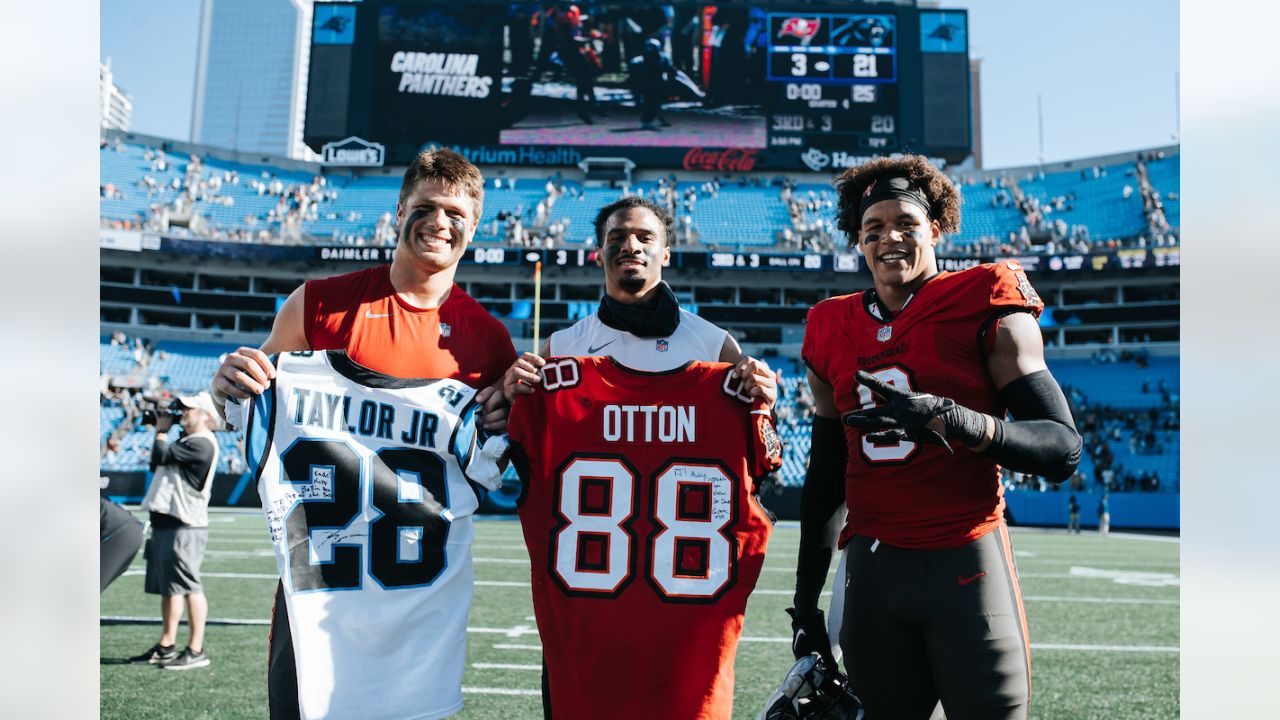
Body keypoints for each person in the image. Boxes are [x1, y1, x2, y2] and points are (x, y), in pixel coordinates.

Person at [210, 148, 516, 719]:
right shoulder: (318, 304)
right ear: (399, 210)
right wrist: (228, 384)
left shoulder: (488, 342)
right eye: (426, 206)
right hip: (318, 597)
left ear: (473, 228)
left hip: (419, 611)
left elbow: (500, 467)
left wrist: (507, 421)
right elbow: (253, 404)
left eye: (455, 213)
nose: (439, 222)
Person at [789, 155, 1082, 719]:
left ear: (937, 228)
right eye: (872, 229)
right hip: (873, 571)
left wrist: (952, 420)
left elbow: (1060, 446)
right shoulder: (829, 325)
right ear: (858, 241)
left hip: (965, 557)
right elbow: (826, 478)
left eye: (906, 224)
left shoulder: (983, 296)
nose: (889, 238)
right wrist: (805, 605)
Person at [502, 195, 776, 405]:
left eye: (645, 238)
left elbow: (756, 444)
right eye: (617, 237)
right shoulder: (560, 348)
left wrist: (767, 400)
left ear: (666, 255)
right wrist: (512, 398)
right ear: (598, 254)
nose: (631, 246)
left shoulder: (717, 346)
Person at [128, 392, 222, 670]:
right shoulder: (189, 440)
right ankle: (166, 645)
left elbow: (159, 456)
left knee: (189, 586)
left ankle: (196, 648)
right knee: (171, 589)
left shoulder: (202, 443)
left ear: (205, 413)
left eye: (189, 409)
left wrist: (160, 431)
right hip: (168, 522)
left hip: (185, 524)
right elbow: (157, 462)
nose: (182, 412)